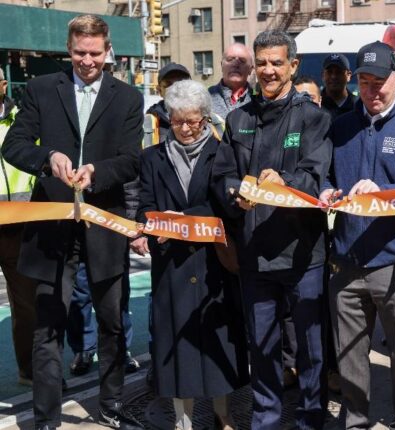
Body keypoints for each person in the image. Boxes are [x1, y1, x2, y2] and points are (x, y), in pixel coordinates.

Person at [2, 14, 144, 429]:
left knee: (111, 322)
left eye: (95, 53)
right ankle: (46, 419)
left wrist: (97, 171)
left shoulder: (128, 98)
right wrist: (48, 158)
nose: (87, 61)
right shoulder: (42, 89)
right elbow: (14, 145)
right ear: (69, 49)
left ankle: (111, 405)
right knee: (47, 327)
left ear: (108, 50)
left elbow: (131, 160)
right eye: (80, 53)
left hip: (104, 224)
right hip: (51, 225)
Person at [212, 30, 332, 430]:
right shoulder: (239, 119)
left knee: (311, 348)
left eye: (277, 63)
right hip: (255, 254)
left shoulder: (314, 118)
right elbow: (222, 177)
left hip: (303, 253)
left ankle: (311, 419)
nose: (268, 70)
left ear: (293, 66)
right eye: (261, 63)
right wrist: (235, 193)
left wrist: (284, 183)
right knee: (262, 348)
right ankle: (265, 419)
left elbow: (315, 176)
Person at [319, 41, 395, 430]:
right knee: (350, 355)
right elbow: (324, 174)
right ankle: (356, 421)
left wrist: (382, 193)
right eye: (365, 82)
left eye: (379, 82)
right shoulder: (341, 127)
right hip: (347, 259)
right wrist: (326, 190)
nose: (371, 90)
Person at [131, 79, 248, 430]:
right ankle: (183, 420)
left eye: (193, 121)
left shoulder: (222, 153)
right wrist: (152, 224)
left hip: (214, 264)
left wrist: (186, 219)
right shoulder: (152, 158)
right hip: (172, 266)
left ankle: (223, 414)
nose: (184, 128)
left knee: (218, 344)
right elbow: (145, 204)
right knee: (177, 350)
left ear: (205, 118)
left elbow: (226, 205)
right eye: (177, 120)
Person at [0, 68, 37, 388]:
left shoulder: (23, 120)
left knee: (27, 303)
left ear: (3, 85)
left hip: (20, 224)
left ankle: (30, 371)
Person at [209, 43, 255, 120]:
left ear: (250, 69)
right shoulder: (204, 97)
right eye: (230, 59)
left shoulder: (259, 100)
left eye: (242, 61)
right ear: (221, 65)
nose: (235, 64)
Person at [321, 53, 356, 120]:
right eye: (329, 72)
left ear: (348, 75)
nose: (333, 76)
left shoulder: (359, 106)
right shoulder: (315, 105)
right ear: (323, 75)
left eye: (339, 72)